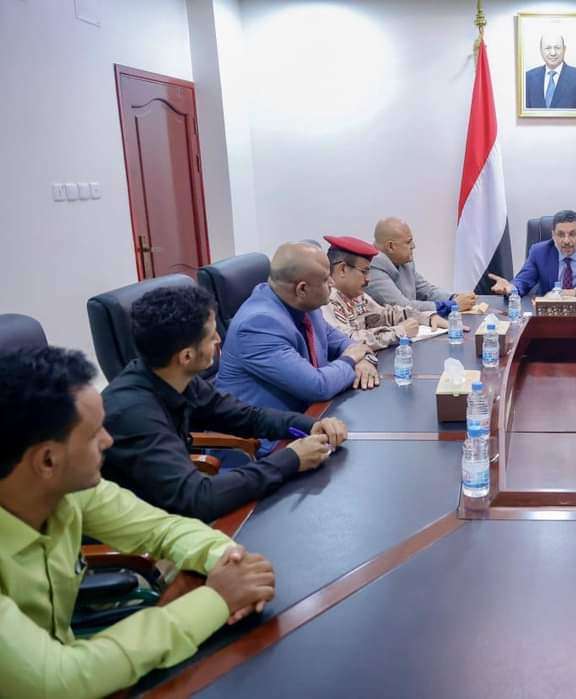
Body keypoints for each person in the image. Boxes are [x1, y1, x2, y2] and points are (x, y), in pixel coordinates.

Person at [0, 346, 278, 697]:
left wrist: (228, 560)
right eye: (94, 434)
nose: (108, 440)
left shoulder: (69, 491)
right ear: (47, 461)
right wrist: (217, 599)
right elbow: (59, 680)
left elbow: (163, 528)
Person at [102, 285, 347, 522]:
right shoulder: (133, 414)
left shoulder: (173, 377)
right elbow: (197, 499)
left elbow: (247, 416)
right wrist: (290, 459)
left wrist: (309, 425)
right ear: (186, 356)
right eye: (211, 336)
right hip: (145, 535)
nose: (219, 339)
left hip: (174, 515)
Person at [216, 242, 380, 421]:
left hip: (310, 416)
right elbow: (318, 387)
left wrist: (364, 361)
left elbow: (343, 342)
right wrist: (351, 360)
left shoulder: (306, 305)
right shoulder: (258, 325)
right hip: (263, 433)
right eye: (326, 279)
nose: (332, 283)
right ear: (302, 289)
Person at [323, 235, 448, 349]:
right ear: (342, 269)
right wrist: (399, 332)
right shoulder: (326, 300)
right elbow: (348, 341)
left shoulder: (356, 296)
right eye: (364, 272)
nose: (368, 279)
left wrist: (427, 318)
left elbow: (386, 315)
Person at [488, 209, 576, 298]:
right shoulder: (539, 252)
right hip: (549, 313)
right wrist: (510, 288)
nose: (566, 241)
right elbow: (523, 281)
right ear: (553, 235)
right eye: (561, 234)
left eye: (572, 234)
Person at [366, 217, 476, 315]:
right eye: (408, 242)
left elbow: (427, 291)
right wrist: (452, 305)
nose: (413, 246)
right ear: (390, 246)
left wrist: (453, 297)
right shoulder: (371, 269)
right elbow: (402, 307)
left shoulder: (403, 261)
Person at [524, 33, 576, 109]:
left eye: (557, 48)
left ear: (564, 49)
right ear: (541, 51)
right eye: (548, 48)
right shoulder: (528, 78)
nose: (553, 53)